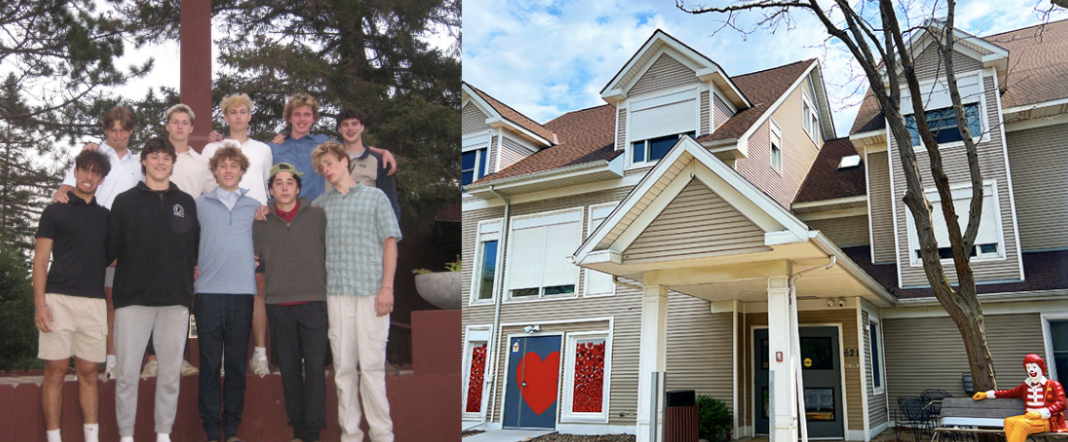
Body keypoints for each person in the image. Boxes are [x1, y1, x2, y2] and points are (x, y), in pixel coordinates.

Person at [107, 138, 199, 442]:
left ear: (173, 163)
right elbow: (109, 249)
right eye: (154, 157)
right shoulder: (124, 202)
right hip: (133, 301)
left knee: (170, 376)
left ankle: (163, 435)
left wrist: (186, 282)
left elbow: (193, 248)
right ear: (143, 161)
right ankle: (126, 436)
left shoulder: (185, 202)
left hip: (174, 302)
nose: (160, 162)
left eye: (166, 158)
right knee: (127, 376)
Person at [312, 141, 402, 442]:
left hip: (371, 294)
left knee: (373, 368)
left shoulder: (375, 197)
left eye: (330, 162)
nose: (327, 169)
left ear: (343, 160)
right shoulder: (319, 206)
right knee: (343, 371)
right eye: (322, 167)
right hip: (337, 295)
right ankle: (350, 436)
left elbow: (390, 242)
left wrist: (386, 288)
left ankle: (382, 436)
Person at [52, 106, 142, 380]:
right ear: (105, 130)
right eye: (112, 129)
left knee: (116, 302)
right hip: (89, 237)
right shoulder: (93, 156)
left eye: (123, 130)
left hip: (123, 241)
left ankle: (112, 360)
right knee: (89, 298)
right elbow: (64, 190)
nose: (118, 135)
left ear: (131, 131)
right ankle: (70, 360)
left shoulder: (139, 163)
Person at [34, 150, 112, 442]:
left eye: (95, 173)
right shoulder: (55, 210)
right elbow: (40, 261)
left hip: (93, 302)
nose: (89, 177)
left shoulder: (107, 218)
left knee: (89, 373)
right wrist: (39, 304)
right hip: (57, 300)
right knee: (54, 371)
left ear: (102, 179)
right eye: (84, 170)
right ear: (75, 171)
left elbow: (116, 257)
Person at [254, 163, 329, 442]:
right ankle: (297, 427)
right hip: (279, 304)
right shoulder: (260, 223)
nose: (284, 187)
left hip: (314, 302)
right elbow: (256, 265)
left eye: (289, 182)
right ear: (271, 190)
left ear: (298, 188)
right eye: (278, 183)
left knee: (314, 367)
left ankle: (313, 431)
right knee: (289, 368)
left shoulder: (318, 217)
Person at [194, 144, 261, 442]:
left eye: (234, 165)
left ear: (242, 170)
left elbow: (268, 242)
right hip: (207, 293)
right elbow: (184, 241)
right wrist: (189, 265)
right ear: (215, 170)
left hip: (242, 292)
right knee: (209, 363)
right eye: (223, 165)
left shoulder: (256, 206)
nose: (229, 170)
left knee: (235, 363)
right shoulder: (199, 204)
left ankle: (231, 425)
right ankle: (210, 426)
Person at [140, 103, 209, 379]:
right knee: (152, 297)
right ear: (167, 125)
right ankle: (154, 360)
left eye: (185, 122)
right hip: (152, 237)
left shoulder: (202, 162)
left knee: (181, 298)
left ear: (192, 128)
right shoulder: (149, 155)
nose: (180, 126)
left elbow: (214, 193)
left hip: (185, 237)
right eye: (175, 121)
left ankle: (177, 359)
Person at [266, 93, 396, 201]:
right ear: (289, 118)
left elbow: (352, 147)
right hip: (280, 215)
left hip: (313, 215)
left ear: (314, 119)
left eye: (307, 115)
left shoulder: (324, 143)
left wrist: (383, 152)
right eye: (297, 114)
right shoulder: (274, 147)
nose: (302, 119)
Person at [973, 353, 1067, 442]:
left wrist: (1040, 413)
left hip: (1049, 420)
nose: (1031, 370)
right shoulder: (1025, 386)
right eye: (1029, 367)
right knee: (1009, 421)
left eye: (1034, 367)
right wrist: (986, 394)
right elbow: (1008, 393)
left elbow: (1061, 403)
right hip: (1029, 418)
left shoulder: (1054, 385)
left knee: (1021, 424)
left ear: (1041, 368)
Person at [336, 107, 400, 223]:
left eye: (354, 124)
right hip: (336, 231)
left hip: (368, 232)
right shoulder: (330, 158)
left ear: (362, 127)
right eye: (345, 125)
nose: (350, 128)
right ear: (339, 129)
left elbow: (390, 203)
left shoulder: (379, 161)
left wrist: (391, 237)